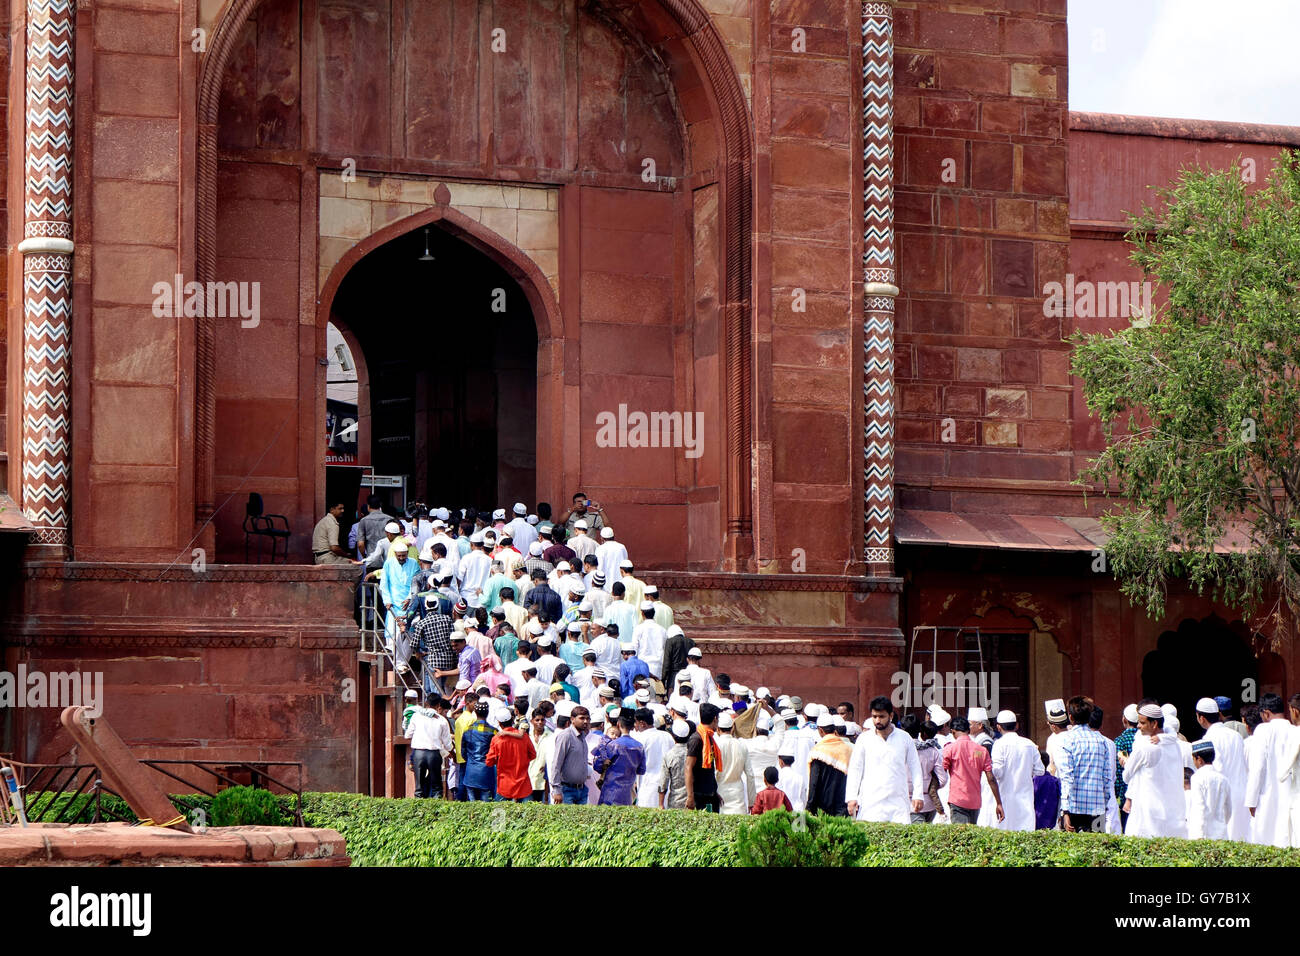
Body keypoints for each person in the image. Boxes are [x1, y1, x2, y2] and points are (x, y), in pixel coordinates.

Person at [846, 697, 923, 823]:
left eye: (881, 716)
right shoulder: (864, 739)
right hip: (870, 803)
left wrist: (918, 794)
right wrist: (851, 797)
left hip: (898, 802)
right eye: (874, 716)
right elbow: (855, 769)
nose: (877, 720)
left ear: (891, 715)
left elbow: (915, 768)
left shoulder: (904, 738)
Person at [1122, 703, 1188, 838]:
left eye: (1142, 723)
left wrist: (1125, 761)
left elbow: (1127, 776)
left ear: (1154, 724)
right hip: (1173, 811)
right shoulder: (1174, 744)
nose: (1138, 726)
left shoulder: (1145, 745)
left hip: (1148, 811)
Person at [1245, 692, 1298, 847]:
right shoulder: (1294, 729)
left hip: (1268, 793)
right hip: (1291, 793)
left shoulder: (1263, 730)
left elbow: (1257, 768)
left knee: (1267, 842)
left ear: (1266, 713)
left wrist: (1251, 801)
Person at [1195, 696, 1249, 842]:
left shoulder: (1209, 739)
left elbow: (1216, 769)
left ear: (1201, 718)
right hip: (1241, 793)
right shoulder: (1236, 736)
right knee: (1243, 840)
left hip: (1224, 796)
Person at [1055, 696, 1110, 833]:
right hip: (1097, 807)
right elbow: (1107, 777)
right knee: (1096, 851)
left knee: (1072, 852)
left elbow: (1067, 777)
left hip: (1074, 807)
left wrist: (1065, 811)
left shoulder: (1067, 739)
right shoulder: (1101, 740)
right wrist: (1105, 804)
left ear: (1071, 717)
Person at [942, 716, 1004, 825]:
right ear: (968, 730)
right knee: (971, 836)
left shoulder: (950, 749)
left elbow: (942, 774)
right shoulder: (981, 751)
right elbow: (991, 778)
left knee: (960, 839)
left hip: (957, 800)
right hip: (975, 802)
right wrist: (999, 803)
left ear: (953, 732)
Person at [591, 714, 646, 806]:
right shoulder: (639, 746)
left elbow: (598, 766)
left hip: (610, 792)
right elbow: (641, 770)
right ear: (632, 727)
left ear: (619, 724)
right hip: (628, 794)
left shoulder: (612, 745)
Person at [406, 694, 453, 798]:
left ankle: (418, 810)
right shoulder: (441, 720)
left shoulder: (416, 716)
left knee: (419, 787)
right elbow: (448, 744)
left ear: (426, 703)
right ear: (438, 705)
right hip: (434, 754)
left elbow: (408, 735)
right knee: (436, 786)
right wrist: (453, 754)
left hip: (418, 753)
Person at [806, 712, 852, 816]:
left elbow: (814, 783)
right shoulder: (847, 749)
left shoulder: (817, 751)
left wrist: (809, 807)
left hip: (822, 809)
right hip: (843, 807)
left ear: (820, 730)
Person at [486, 710, 537, 802]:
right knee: (529, 814)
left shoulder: (497, 739)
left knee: (499, 815)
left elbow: (489, 762)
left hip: (504, 785)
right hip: (523, 784)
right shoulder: (523, 736)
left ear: (499, 723)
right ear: (512, 720)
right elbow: (533, 755)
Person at [1188, 739, 1233, 840]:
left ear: (1199, 759)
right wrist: (1221, 824)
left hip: (1203, 835)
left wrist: (1199, 835)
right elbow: (1228, 809)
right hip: (1221, 835)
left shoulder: (1197, 778)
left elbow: (1199, 807)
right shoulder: (1223, 779)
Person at [632, 708, 675, 809]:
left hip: (648, 786)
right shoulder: (667, 736)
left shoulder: (640, 738)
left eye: (636, 722)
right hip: (666, 786)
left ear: (642, 723)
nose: (635, 725)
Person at [907, 717, 947, 823]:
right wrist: (930, 787)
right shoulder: (933, 750)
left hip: (910, 802)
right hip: (929, 804)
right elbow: (942, 779)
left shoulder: (903, 750)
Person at [550, 705, 593, 804]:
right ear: (572, 719)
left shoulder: (582, 737)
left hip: (582, 790)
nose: (585, 721)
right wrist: (556, 790)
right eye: (582, 718)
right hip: (567, 790)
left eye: (587, 718)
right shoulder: (566, 736)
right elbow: (556, 763)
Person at [685, 703, 724, 812]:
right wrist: (690, 796)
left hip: (709, 793)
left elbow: (709, 768)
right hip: (699, 795)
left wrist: (714, 793)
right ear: (715, 719)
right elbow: (688, 768)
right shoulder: (697, 739)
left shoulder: (709, 737)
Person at [460, 701, 498, 801]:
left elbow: (463, 753)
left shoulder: (467, 730)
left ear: (475, 712)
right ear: (488, 712)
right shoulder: (494, 731)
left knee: (472, 808)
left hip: (470, 772)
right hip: (486, 773)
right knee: (485, 807)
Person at [715, 711, 750, 814]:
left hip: (719, 791)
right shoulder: (741, 745)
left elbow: (713, 772)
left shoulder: (715, 745)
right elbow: (750, 774)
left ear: (718, 729)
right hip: (737, 793)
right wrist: (752, 801)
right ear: (733, 728)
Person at [659, 719, 692, 809]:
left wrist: (661, 804)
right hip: (692, 800)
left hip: (675, 801)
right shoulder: (693, 753)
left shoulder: (669, 755)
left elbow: (663, 782)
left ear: (673, 736)